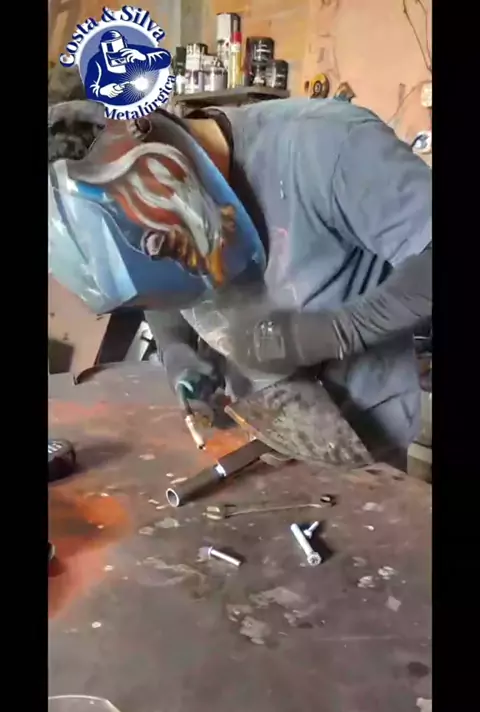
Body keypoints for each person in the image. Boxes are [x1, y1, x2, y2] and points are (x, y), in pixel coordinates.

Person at [48, 75, 431, 466]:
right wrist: (177, 349)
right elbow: (158, 281)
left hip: (365, 439)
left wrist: (336, 332)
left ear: (157, 161)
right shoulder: (145, 211)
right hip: (259, 433)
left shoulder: (330, 145)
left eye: (159, 240)